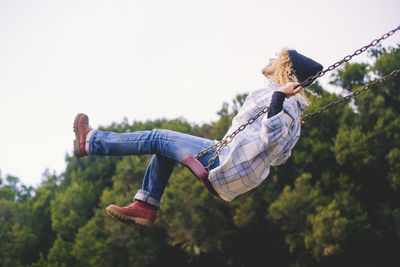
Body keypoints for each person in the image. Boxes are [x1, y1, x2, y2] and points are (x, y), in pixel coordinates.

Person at [73, 48, 323, 230]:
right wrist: (281, 115)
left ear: (285, 69)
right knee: (165, 149)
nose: (269, 58)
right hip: (233, 173)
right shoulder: (289, 107)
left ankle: (92, 141)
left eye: (276, 58)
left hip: (226, 162)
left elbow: (272, 140)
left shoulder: (283, 100)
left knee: (158, 137)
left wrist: (279, 101)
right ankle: (146, 206)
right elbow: (279, 156)